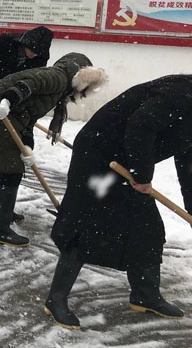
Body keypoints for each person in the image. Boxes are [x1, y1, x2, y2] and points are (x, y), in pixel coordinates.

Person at [45, 75, 192, 329]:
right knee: (86, 227)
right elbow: (141, 124)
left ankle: (145, 295)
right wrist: (142, 175)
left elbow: (188, 163)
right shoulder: (182, 93)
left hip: (129, 160)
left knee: (147, 228)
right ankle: (56, 299)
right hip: (97, 155)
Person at [0, 53, 107, 247]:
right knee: (9, 170)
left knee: (11, 168)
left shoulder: (61, 88)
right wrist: (7, 101)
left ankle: (3, 213)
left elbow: (29, 118)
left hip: (8, 115)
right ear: (81, 77)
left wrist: (27, 147)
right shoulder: (58, 77)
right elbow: (29, 84)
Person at [0, 26, 54, 92]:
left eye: (37, 53)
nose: (34, 54)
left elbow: (34, 78)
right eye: (32, 50)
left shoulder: (40, 58)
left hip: (13, 92)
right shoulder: (6, 41)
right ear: (26, 44)